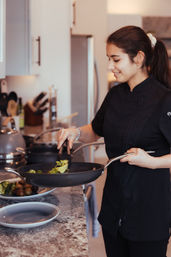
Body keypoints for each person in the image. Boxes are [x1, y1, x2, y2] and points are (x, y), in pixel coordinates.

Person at [57, 26, 171, 257]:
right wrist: (76, 132)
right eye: (109, 59)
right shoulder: (115, 95)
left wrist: (152, 162)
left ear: (138, 58)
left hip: (148, 213)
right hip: (114, 205)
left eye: (116, 59)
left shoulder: (165, 99)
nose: (110, 66)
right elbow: (96, 130)